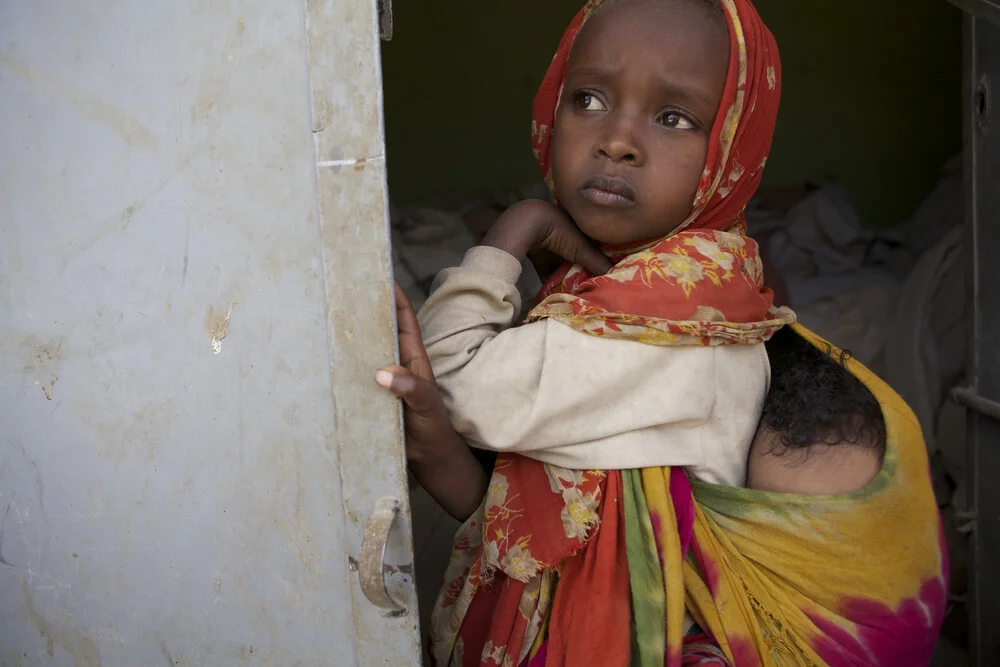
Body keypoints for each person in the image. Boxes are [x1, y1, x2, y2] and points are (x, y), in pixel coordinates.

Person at [377, 0, 948, 664]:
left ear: (731, 150)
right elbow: (538, 513)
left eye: (673, 117)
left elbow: (455, 379)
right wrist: (443, 450)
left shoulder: (674, 333)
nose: (616, 138)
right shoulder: (631, 295)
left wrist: (517, 225)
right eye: (587, 98)